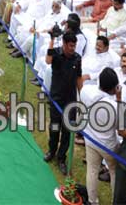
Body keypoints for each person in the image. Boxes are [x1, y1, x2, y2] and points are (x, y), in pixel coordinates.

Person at [44, 31, 82, 173]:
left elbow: (78, 78)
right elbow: (47, 60)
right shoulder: (56, 54)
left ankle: (61, 158)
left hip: (70, 102)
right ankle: (51, 150)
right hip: (56, 99)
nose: (73, 48)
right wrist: (52, 40)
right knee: (54, 127)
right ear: (65, 44)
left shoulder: (77, 59)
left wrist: (81, 97)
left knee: (67, 132)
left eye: (74, 46)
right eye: (71, 45)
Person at [80, 67, 119, 205]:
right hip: (108, 145)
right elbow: (120, 128)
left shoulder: (86, 91)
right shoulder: (114, 106)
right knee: (114, 172)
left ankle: (92, 201)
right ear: (114, 87)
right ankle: (116, 201)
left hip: (90, 139)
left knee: (92, 170)